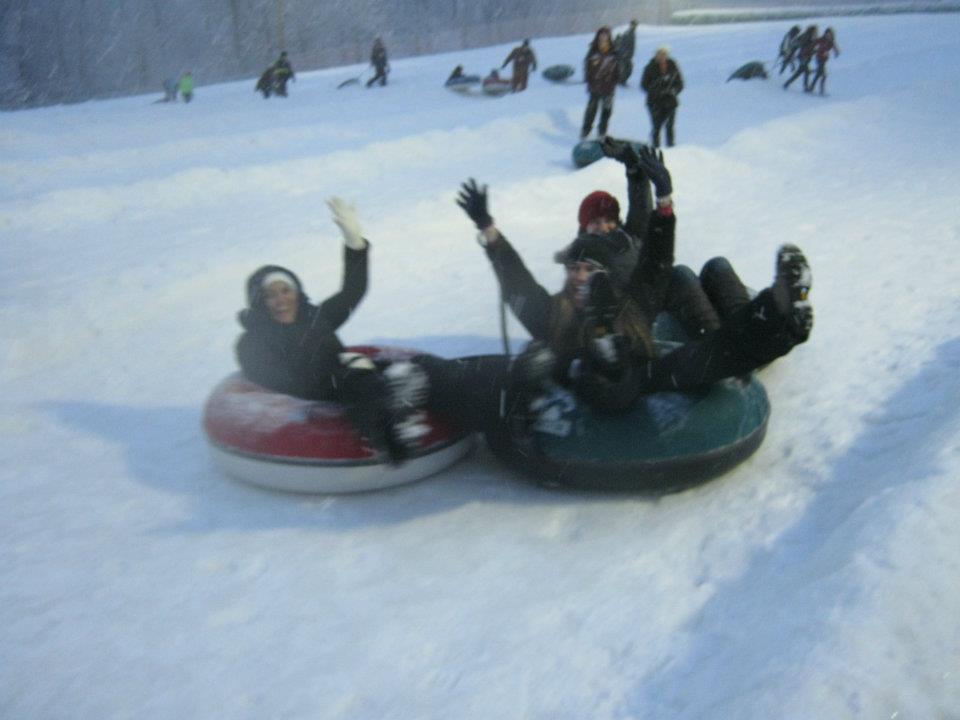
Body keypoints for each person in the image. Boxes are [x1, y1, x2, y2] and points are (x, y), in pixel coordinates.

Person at [413, 168, 813, 452]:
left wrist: (665, 203)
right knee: (539, 362)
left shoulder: (633, 304)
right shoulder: (555, 314)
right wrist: (489, 230)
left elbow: (657, 261)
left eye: (591, 270)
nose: (580, 276)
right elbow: (517, 282)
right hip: (591, 384)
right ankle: (417, 382)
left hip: (646, 376)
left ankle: (779, 313)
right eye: (576, 269)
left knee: (705, 358)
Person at [235, 198, 428, 465]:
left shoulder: (315, 317)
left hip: (348, 376)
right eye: (270, 295)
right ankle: (396, 437)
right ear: (259, 303)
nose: (281, 300)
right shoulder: (252, 342)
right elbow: (281, 384)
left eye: (285, 290)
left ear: (297, 293)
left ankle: (418, 394)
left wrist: (355, 245)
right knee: (363, 384)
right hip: (325, 392)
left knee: (412, 368)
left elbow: (352, 292)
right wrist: (340, 372)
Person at [580, 27, 620, 140]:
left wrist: (614, 82)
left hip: (609, 88)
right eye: (601, 36)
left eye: (605, 36)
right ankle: (585, 132)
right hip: (595, 87)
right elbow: (587, 69)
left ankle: (602, 133)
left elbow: (618, 70)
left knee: (606, 112)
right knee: (591, 111)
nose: (603, 38)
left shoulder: (614, 53)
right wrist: (590, 83)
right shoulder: (593, 52)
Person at [640, 47, 684, 148]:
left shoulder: (673, 66)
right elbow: (644, 85)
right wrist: (656, 90)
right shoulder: (649, 67)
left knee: (670, 126)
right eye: (659, 54)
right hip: (655, 102)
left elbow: (680, 83)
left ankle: (671, 147)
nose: (661, 56)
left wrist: (673, 91)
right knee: (656, 127)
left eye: (664, 54)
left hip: (671, 101)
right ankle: (656, 148)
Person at [783, 25, 818, 91]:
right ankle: (805, 87)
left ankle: (787, 83)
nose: (816, 32)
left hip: (806, 57)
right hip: (803, 57)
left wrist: (814, 51)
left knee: (800, 72)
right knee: (805, 72)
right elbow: (803, 47)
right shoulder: (807, 36)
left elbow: (807, 47)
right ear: (812, 31)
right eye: (815, 31)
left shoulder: (809, 37)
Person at [809, 27, 840, 95]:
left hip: (824, 59)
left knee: (818, 75)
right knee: (824, 75)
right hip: (819, 58)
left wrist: (836, 52)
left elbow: (835, 48)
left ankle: (811, 88)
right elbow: (814, 44)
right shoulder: (821, 39)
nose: (828, 36)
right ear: (825, 34)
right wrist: (812, 50)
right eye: (827, 34)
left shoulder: (831, 41)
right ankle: (821, 90)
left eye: (829, 34)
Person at [614, 19, 639, 86]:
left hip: (628, 55)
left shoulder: (631, 33)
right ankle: (621, 80)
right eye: (633, 25)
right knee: (625, 68)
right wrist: (624, 53)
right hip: (624, 54)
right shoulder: (628, 33)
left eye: (635, 25)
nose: (634, 26)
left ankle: (622, 80)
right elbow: (623, 43)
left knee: (628, 68)